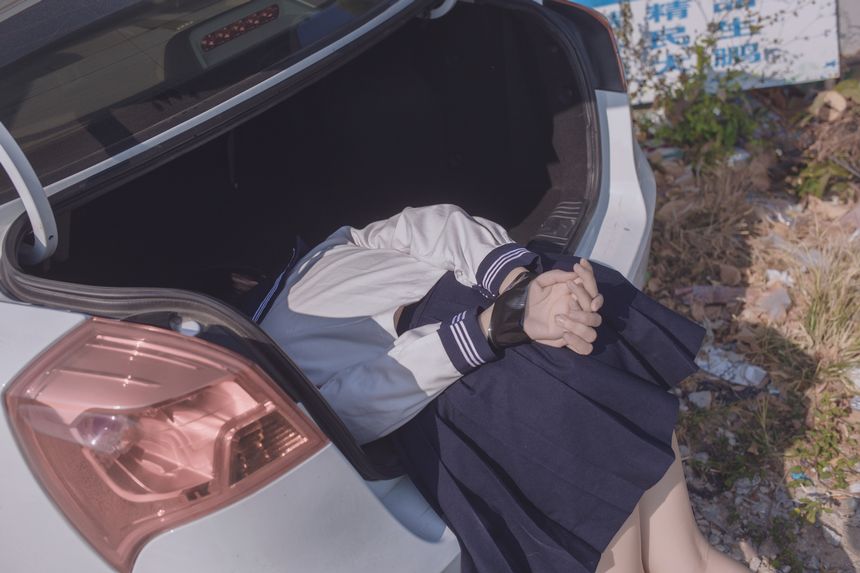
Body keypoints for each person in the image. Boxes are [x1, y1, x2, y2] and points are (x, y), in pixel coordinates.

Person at [261, 204, 749, 573]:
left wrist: (508, 306)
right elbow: (435, 226)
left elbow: (347, 412)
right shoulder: (324, 257)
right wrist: (520, 288)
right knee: (689, 559)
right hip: (552, 326)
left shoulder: (267, 344)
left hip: (500, 384)